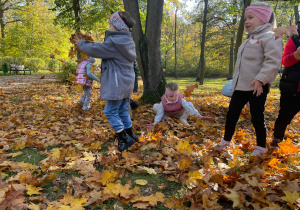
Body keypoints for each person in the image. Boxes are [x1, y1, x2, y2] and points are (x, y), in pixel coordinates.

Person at [214, 2, 283, 157]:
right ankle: (226, 140)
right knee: (231, 114)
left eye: (250, 17)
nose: (246, 21)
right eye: (245, 18)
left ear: (264, 19)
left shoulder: (271, 37)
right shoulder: (248, 39)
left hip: (257, 86)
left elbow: (272, 61)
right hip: (240, 86)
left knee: (257, 116)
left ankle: (261, 147)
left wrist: (261, 79)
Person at [73, 11, 138, 152]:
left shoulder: (115, 43)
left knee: (110, 111)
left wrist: (81, 43)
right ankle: (130, 133)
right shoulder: (127, 41)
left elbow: (96, 49)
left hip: (117, 84)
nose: (108, 26)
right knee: (122, 110)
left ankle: (124, 138)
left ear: (116, 27)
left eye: (110, 24)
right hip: (126, 82)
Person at [271, 21, 300, 147]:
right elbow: (285, 61)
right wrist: (296, 55)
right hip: (293, 86)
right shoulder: (295, 38)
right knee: (285, 114)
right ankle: (277, 138)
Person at [147, 82, 212, 127]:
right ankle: (166, 118)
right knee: (155, 106)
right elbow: (160, 113)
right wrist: (155, 123)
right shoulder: (163, 102)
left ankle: (183, 119)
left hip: (179, 112)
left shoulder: (181, 100)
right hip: (167, 113)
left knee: (189, 104)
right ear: (166, 95)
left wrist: (200, 116)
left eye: (176, 96)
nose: (174, 98)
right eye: (171, 96)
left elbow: (189, 109)